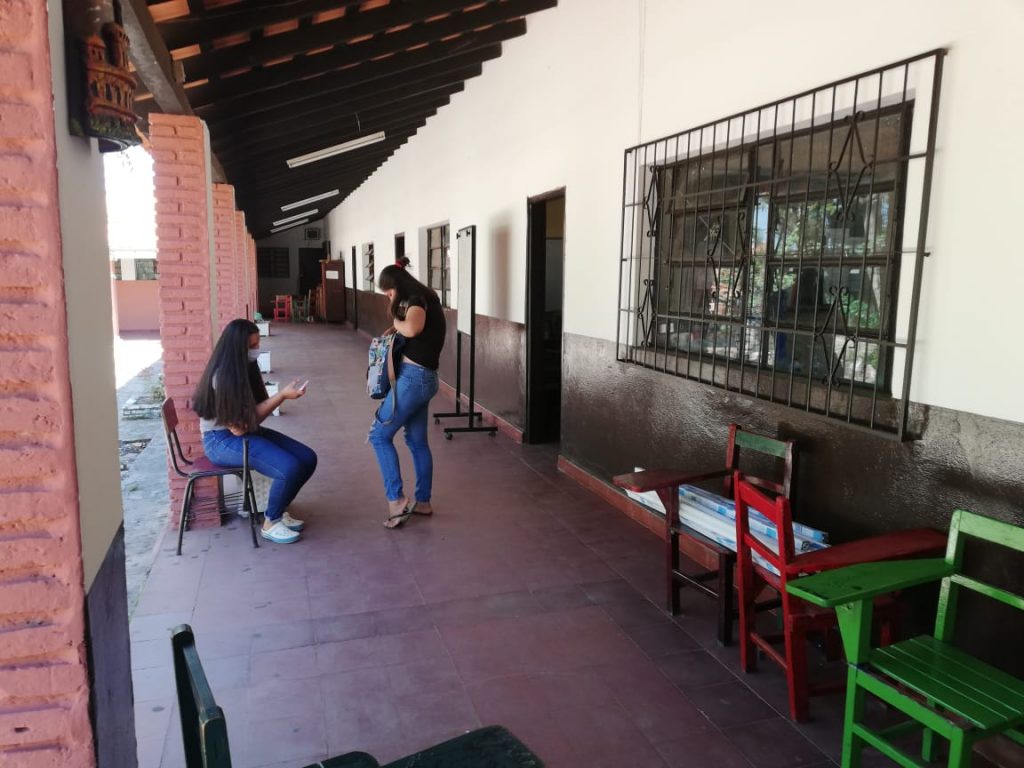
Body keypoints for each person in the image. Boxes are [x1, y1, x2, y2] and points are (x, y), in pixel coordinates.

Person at [193, 318, 317, 544]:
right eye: (251, 347)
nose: (256, 351)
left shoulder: (245, 368)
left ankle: (278, 510)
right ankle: (271, 522)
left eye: (257, 344)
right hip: (220, 440)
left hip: (246, 431)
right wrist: (280, 397)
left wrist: (281, 398)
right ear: (236, 349)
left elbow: (254, 416)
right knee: (288, 467)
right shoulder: (222, 377)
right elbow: (238, 429)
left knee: (308, 458)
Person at [368, 265, 445, 528]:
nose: (389, 298)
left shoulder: (416, 300)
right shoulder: (425, 297)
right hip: (424, 378)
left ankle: (397, 500)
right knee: (416, 441)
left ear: (396, 287)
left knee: (379, 435)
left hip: (414, 379)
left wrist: (395, 323)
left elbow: (412, 328)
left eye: (389, 294)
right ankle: (423, 501)